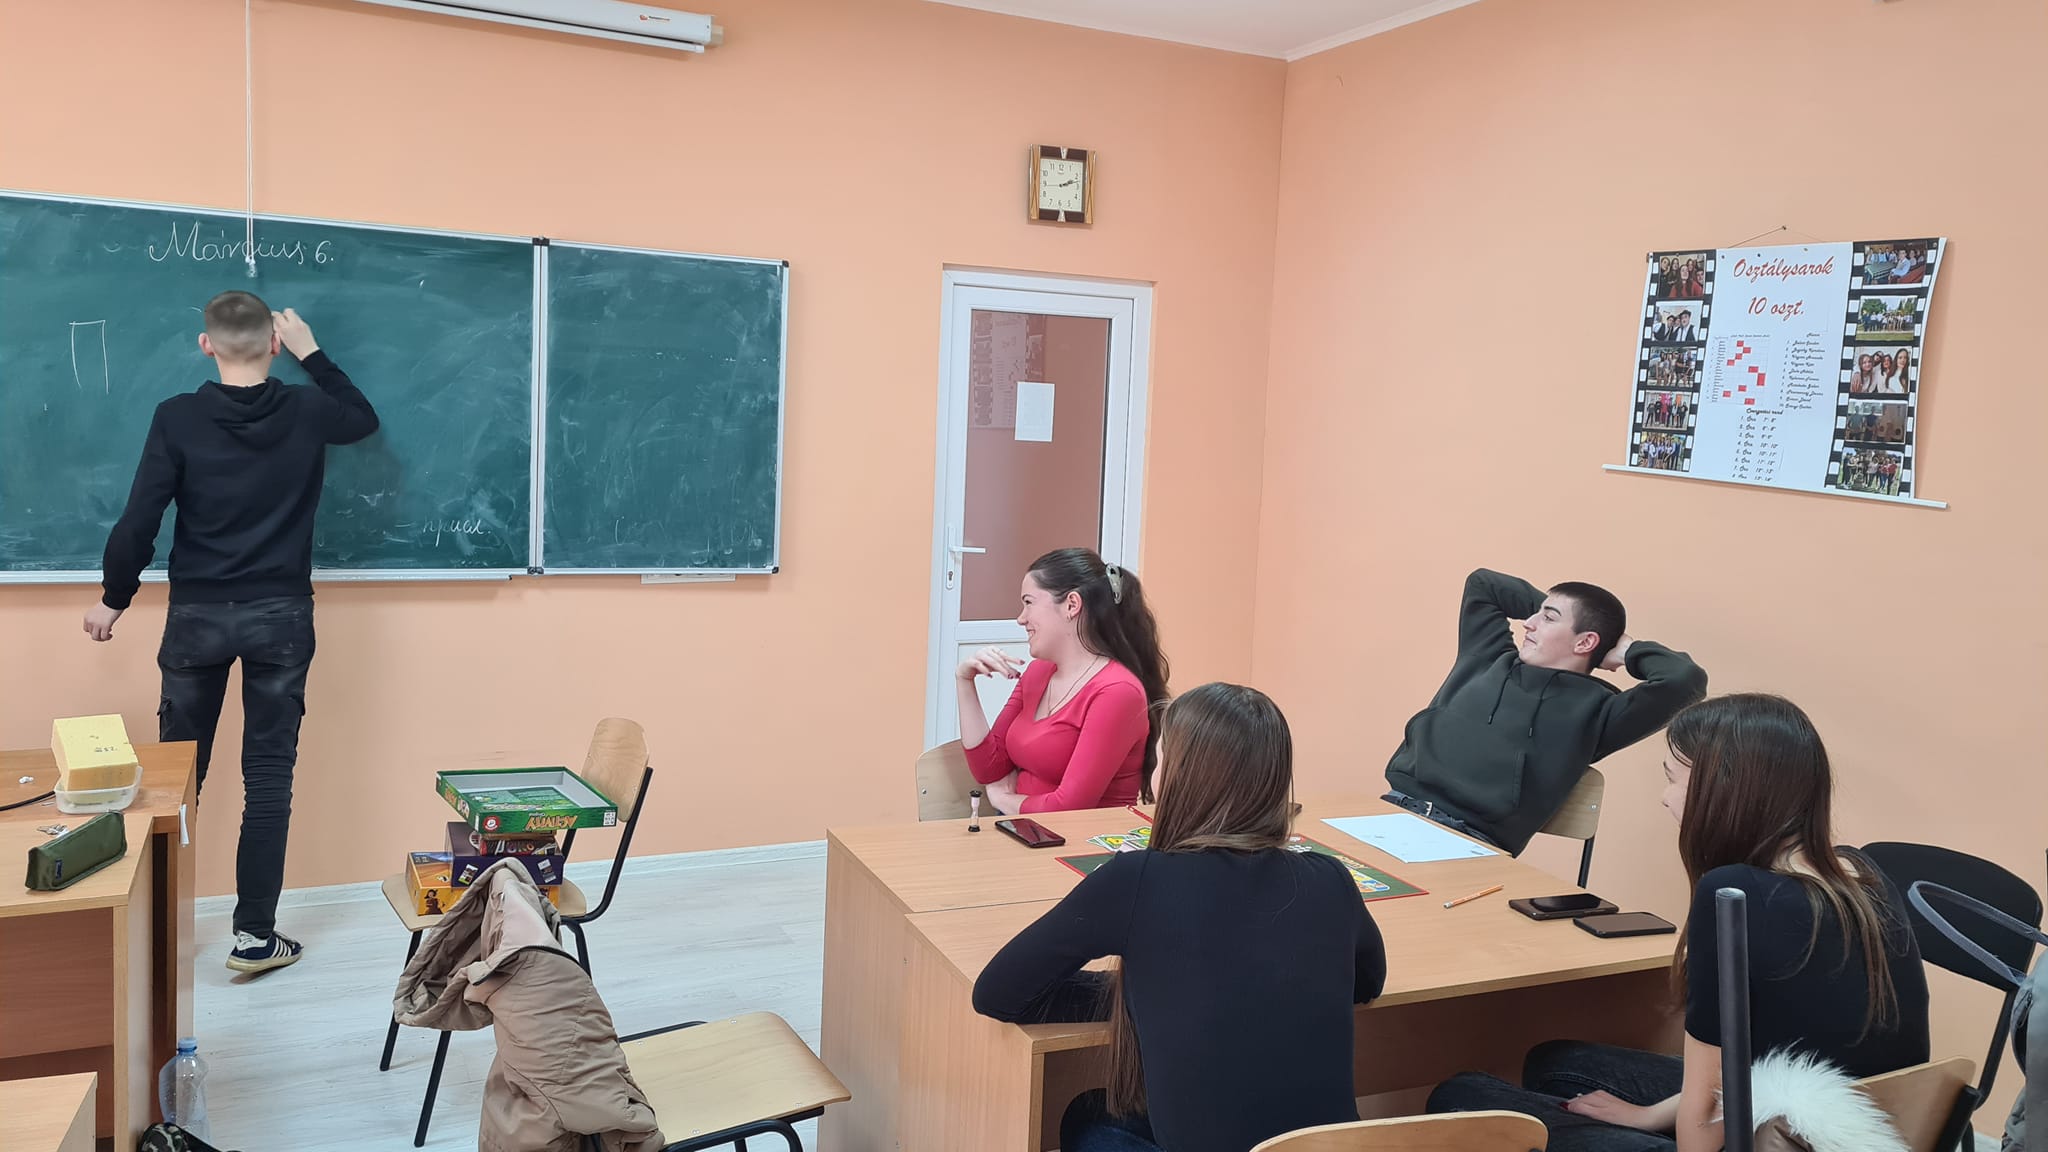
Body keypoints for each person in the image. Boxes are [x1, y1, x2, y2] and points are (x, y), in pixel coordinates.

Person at [1426, 693, 1931, 1152]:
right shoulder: (1860, 873)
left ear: (1723, 788)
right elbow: (1755, 1070)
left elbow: (1701, 1134)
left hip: (1771, 1139)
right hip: (1846, 1126)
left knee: (1463, 1095)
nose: (1666, 797)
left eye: (1673, 778)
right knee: (1558, 1063)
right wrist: (1645, 1117)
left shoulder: (1734, 894)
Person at [85, 292, 378, 975]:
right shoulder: (308, 409)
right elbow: (362, 418)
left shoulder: (177, 417)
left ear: (206, 344)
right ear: (274, 344)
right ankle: (254, 937)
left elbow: (139, 519)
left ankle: (157, 936)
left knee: (177, 779)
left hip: (198, 619)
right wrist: (312, 352)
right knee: (268, 777)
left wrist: (114, 599)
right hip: (281, 616)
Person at [972, 683, 1388, 1152]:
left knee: (1089, 1118)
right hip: (1331, 1147)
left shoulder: (1136, 879)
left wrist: (1136, 993)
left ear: (1178, 776)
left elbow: (997, 994)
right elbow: (1366, 982)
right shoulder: (1330, 878)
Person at [1382, 569, 1707, 855]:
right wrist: (1558, 611)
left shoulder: (1600, 712)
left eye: (1548, 619)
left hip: (1474, 841)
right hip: (1396, 808)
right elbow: (1483, 583)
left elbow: (1685, 681)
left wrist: (1624, 649)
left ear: (1585, 642)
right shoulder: (1486, 655)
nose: (1529, 623)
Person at [959, 548, 1169, 814]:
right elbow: (989, 768)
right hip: (1023, 829)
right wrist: (964, 680)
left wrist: (1003, 800)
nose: (1021, 618)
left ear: (1071, 605)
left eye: (1029, 602)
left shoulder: (1118, 692)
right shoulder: (1038, 672)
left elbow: (1070, 808)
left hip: (1079, 837)